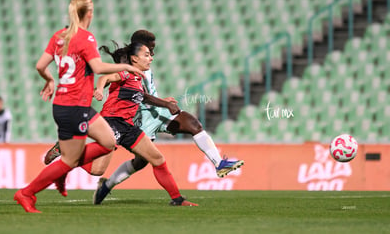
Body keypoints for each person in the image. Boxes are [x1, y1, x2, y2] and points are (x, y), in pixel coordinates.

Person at [45, 30, 244, 203]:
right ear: (139, 48)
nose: (153, 54)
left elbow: (143, 90)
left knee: (192, 124)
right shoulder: (132, 61)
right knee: (137, 162)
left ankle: (217, 164)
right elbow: (130, 88)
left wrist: (162, 100)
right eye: (150, 48)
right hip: (138, 116)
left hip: (154, 113)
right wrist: (163, 103)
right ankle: (104, 184)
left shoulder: (144, 61)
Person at [13, 0, 143, 213]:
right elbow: (98, 67)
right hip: (73, 107)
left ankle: (62, 170)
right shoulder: (86, 38)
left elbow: (39, 65)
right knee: (71, 159)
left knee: (108, 141)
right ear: (89, 14)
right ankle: (26, 192)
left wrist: (50, 80)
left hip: (69, 105)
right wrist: (127, 68)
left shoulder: (59, 36)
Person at [90, 42, 198, 206]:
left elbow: (145, 98)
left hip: (127, 126)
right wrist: (99, 89)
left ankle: (177, 199)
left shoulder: (138, 79)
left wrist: (164, 102)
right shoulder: (125, 73)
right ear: (134, 58)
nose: (150, 59)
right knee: (96, 170)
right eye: (146, 55)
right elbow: (105, 77)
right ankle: (66, 151)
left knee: (157, 158)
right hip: (110, 123)